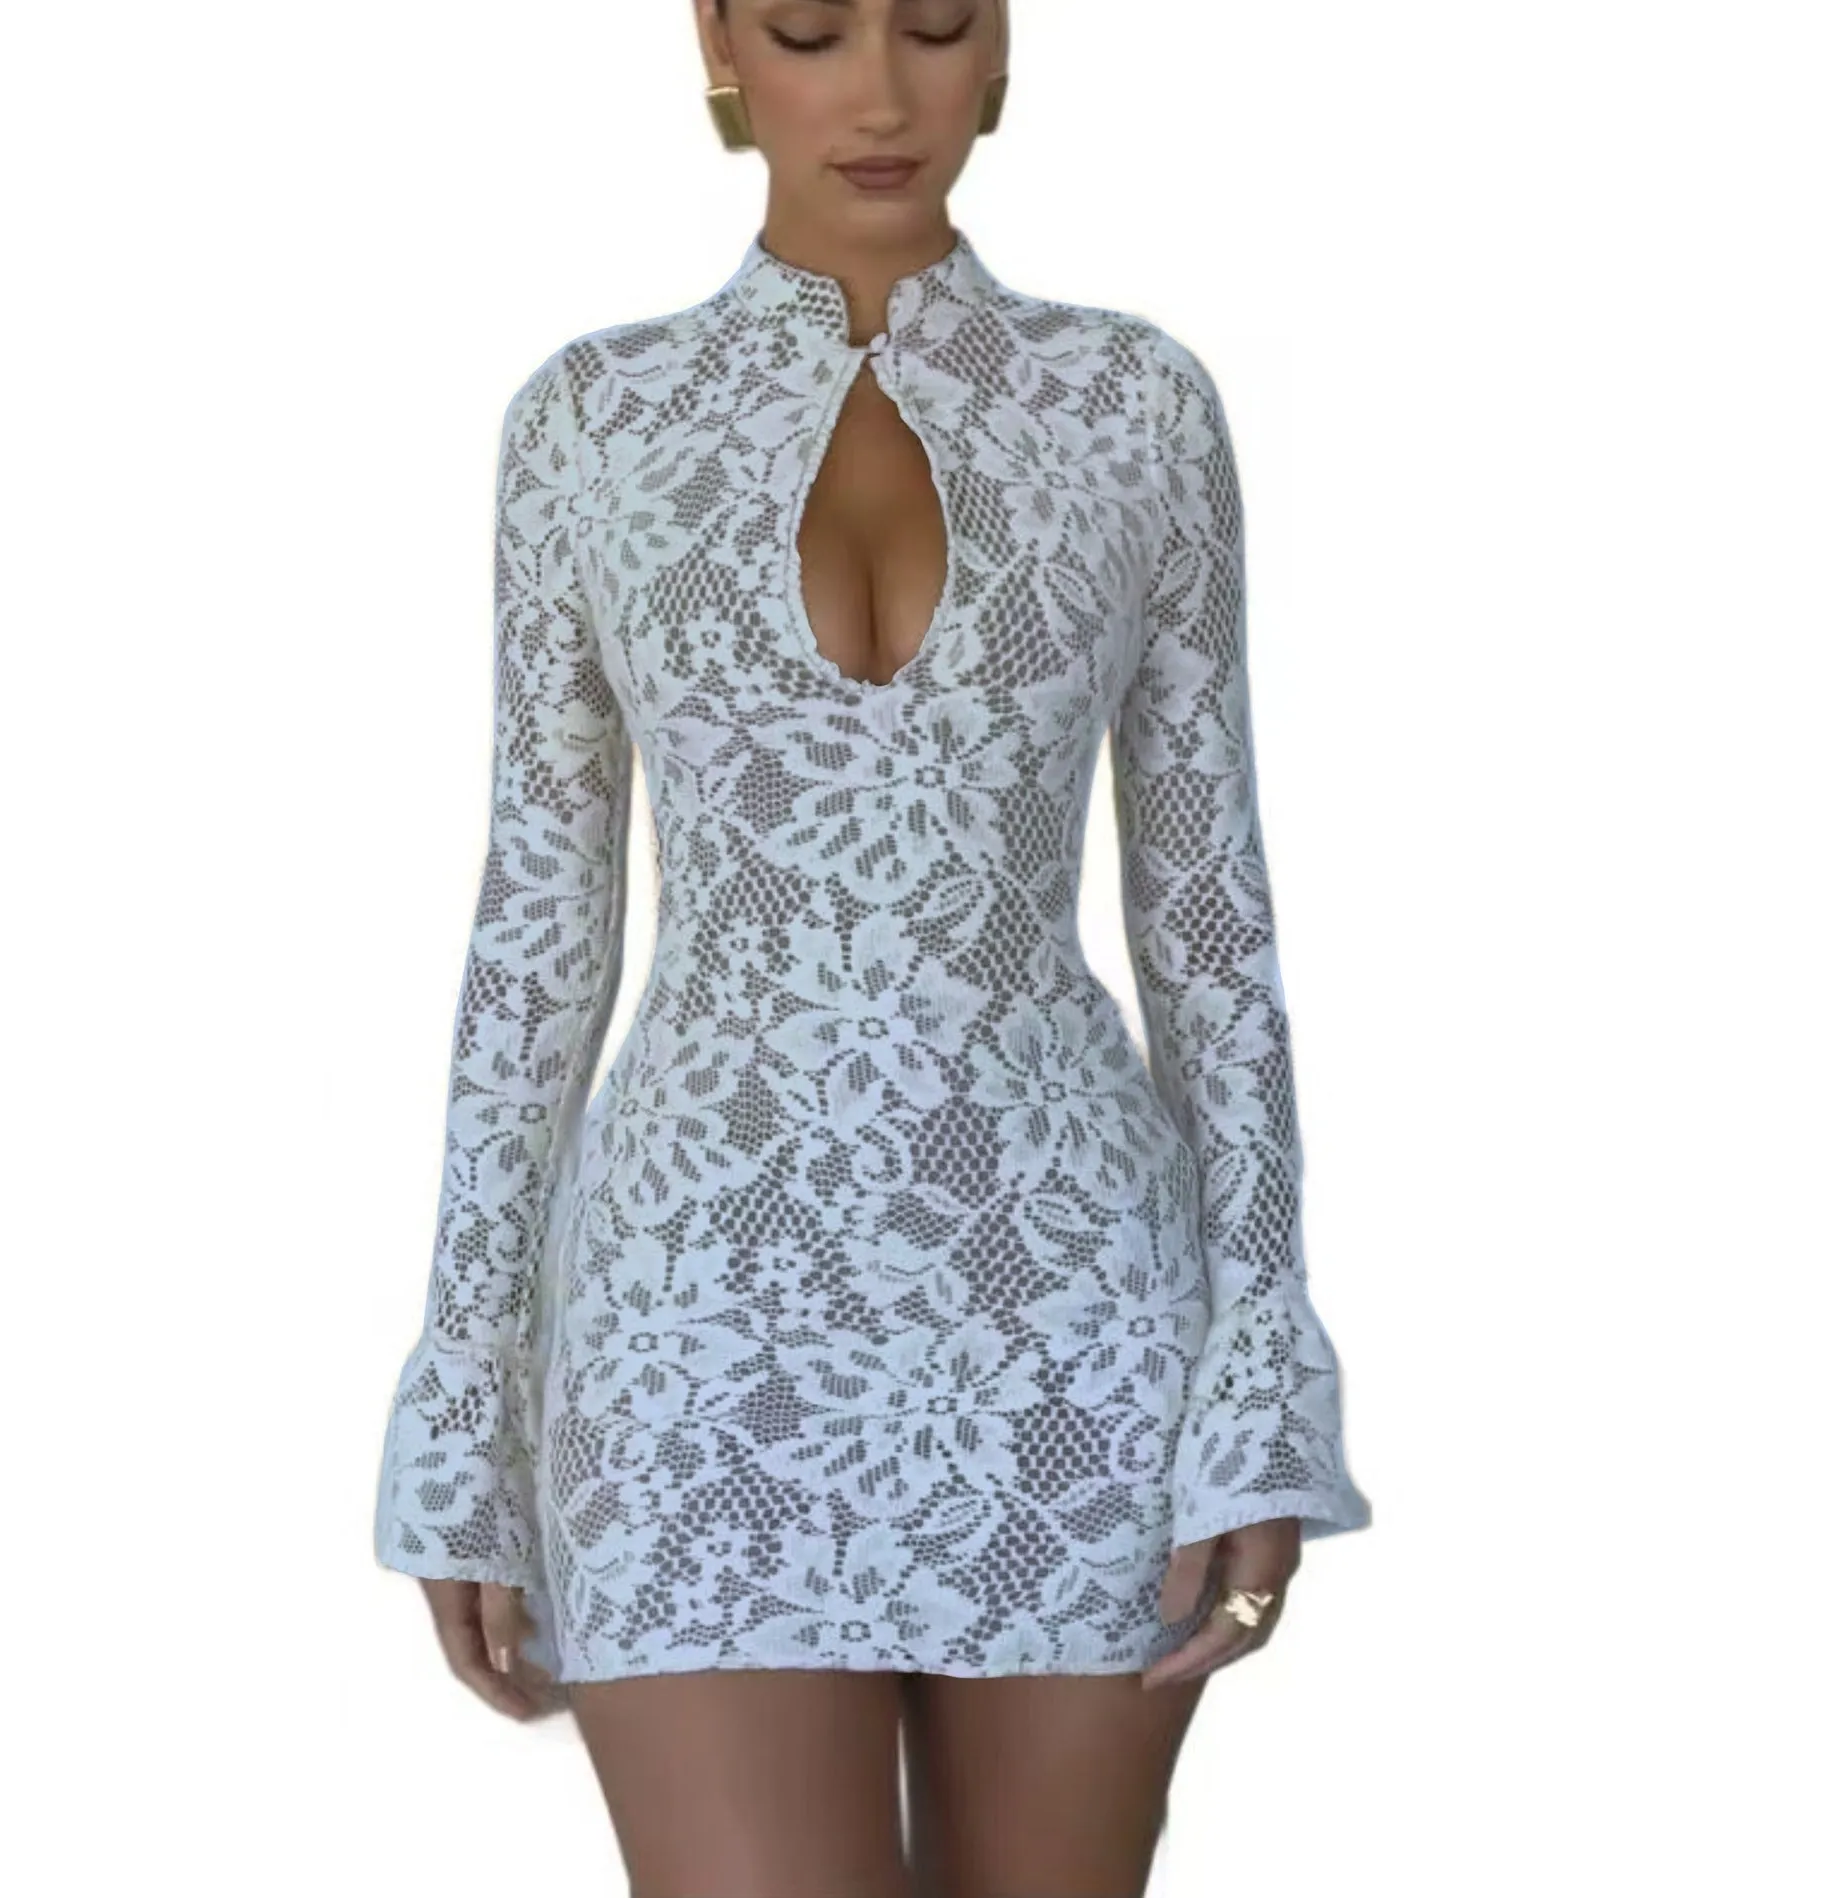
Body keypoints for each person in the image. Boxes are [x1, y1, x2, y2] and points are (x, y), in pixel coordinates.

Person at [372, 2, 1372, 1890]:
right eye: (814, 27)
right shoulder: (590, 421)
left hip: (1070, 1306)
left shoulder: (1133, 403)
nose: (885, 92)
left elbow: (1207, 918)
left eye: (934, 21)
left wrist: (1259, 1360)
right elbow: (538, 931)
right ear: (719, 37)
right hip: (690, 1314)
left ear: (1003, 39)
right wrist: (467, 1381)